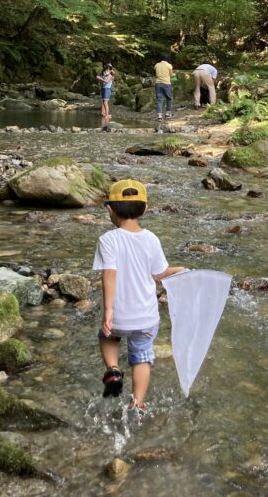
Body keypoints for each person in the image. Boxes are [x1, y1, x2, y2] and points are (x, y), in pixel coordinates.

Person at [94, 179, 185, 422]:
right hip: (145, 318)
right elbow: (159, 274)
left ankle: (113, 370)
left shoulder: (108, 239)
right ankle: (137, 404)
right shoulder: (152, 239)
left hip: (120, 316)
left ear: (110, 210)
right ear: (145, 209)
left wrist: (108, 310)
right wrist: (179, 270)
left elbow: (109, 274)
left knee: (108, 336)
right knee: (142, 356)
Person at [154, 53, 174, 122]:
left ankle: (159, 116)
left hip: (158, 83)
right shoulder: (169, 65)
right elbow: (171, 75)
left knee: (159, 100)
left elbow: (156, 74)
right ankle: (168, 113)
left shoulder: (156, 65)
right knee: (169, 98)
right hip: (166, 83)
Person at [96, 63, 115, 132]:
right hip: (104, 89)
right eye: (106, 69)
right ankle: (103, 113)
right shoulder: (105, 75)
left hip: (107, 89)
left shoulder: (110, 76)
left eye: (107, 70)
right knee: (103, 101)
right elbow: (99, 78)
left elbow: (106, 81)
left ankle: (107, 114)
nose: (106, 71)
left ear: (110, 71)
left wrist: (101, 78)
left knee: (105, 102)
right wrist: (99, 77)